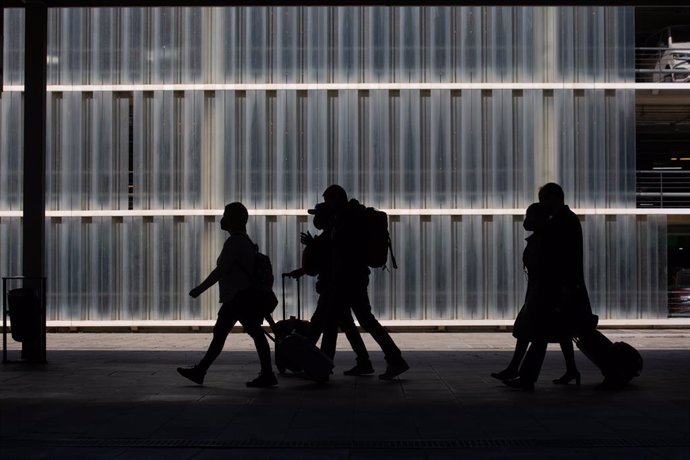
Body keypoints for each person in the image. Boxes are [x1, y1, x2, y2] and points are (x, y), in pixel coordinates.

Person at [177, 202, 277, 388]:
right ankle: (202, 371)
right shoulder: (245, 241)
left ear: (232, 220)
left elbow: (220, 271)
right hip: (241, 298)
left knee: (234, 334)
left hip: (238, 299)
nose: (222, 219)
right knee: (234, 334)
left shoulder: (234, 242)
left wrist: (199, 289)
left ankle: (267, 374)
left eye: (225, 215)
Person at [504, 183, 593, 391]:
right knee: (564, 332)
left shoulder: (562, 221)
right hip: (558, 288)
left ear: (554, 197)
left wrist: (562, 287)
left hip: (557, 289)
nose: (544, 204)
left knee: (547, 333)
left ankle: (525, 377)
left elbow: (560, 258)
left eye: (545, 199)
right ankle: (568, 371)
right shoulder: (563, 219)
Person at [322, 184, 409, 380]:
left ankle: (323, 366)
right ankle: (386, 359)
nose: (327, 206)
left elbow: (343, 252)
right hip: (355, 277)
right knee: (361, 319)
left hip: (348, 279)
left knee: (335, 320)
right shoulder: (351, 215)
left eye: (329, 202)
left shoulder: (347, 219)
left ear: (336, 200)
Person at [491, 202, 580, 384]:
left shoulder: (545, 240)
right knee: (558, 331)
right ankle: (570, 370)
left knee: (531, 331)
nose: (526, 221)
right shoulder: (543, 238)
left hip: (542, 294)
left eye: (529, 216)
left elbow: (546, 270)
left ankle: (520, 372)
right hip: (539, 292)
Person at [288, 202, 374, 375]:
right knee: (342, 325)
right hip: (335, 287)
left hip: (332, 288)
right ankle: (361, 361)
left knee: (320, 324)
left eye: (318, 216)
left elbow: (327, 262)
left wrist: (312, 246)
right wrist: (303, 269)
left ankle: (310, 363)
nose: (316, 219)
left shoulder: (332, 236)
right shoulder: (329, 235)